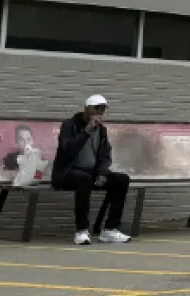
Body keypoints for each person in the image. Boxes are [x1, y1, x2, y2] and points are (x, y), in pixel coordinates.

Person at [50, 94, 132, 245]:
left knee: (121, 180)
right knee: (83, 179)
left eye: (102, 110)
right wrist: (86, 132)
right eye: (96, 109)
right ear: (86, 109)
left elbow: (105, 155)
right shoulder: (69, 125)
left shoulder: (101, 130)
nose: (99, 113)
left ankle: (110, 229)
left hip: (91, 172)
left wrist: (102, 172)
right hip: (67, 173)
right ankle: (81, 230)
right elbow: (68, 149)